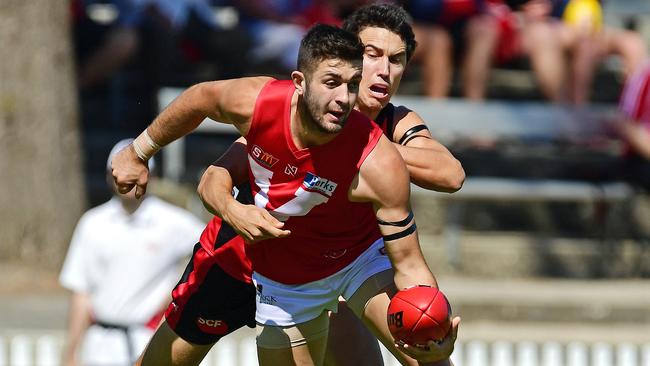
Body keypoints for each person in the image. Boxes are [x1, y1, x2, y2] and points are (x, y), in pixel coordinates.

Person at [112, 22, 460, 366]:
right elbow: (203, 116)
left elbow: (414, 257)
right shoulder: (261, 108)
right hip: (266, 270)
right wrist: (139, 152)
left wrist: (436, 327)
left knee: (426, 348)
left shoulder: (384, 154)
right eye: (372, 55)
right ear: (300, 82)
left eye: (395, 60)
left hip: (353, 261)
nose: (346, 95)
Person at [59, 139, 205, 366]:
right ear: (109, 176)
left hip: (149, 340)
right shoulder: (92, 223)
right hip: (100, 346)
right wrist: (72, 351)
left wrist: (180, 287)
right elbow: (81, 293)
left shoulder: (174, 222)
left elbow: (210, 252)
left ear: (151, 176)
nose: (127, 180)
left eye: (136, 172)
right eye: (120, 173)